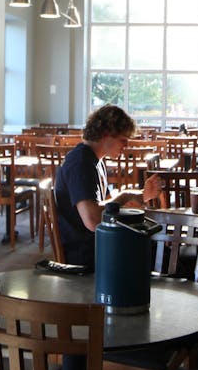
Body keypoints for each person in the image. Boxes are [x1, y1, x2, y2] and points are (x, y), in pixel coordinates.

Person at [54, 105, 162, 267]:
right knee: (166, 255)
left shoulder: (94, 160)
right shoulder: (81, 163)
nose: (126, 146)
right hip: (87, 253)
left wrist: (142, 195)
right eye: (123, 140)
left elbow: (105, 206)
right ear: (106, 134)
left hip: (98, 244)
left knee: (160, 246)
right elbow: (93, 220)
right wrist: (125, 195)